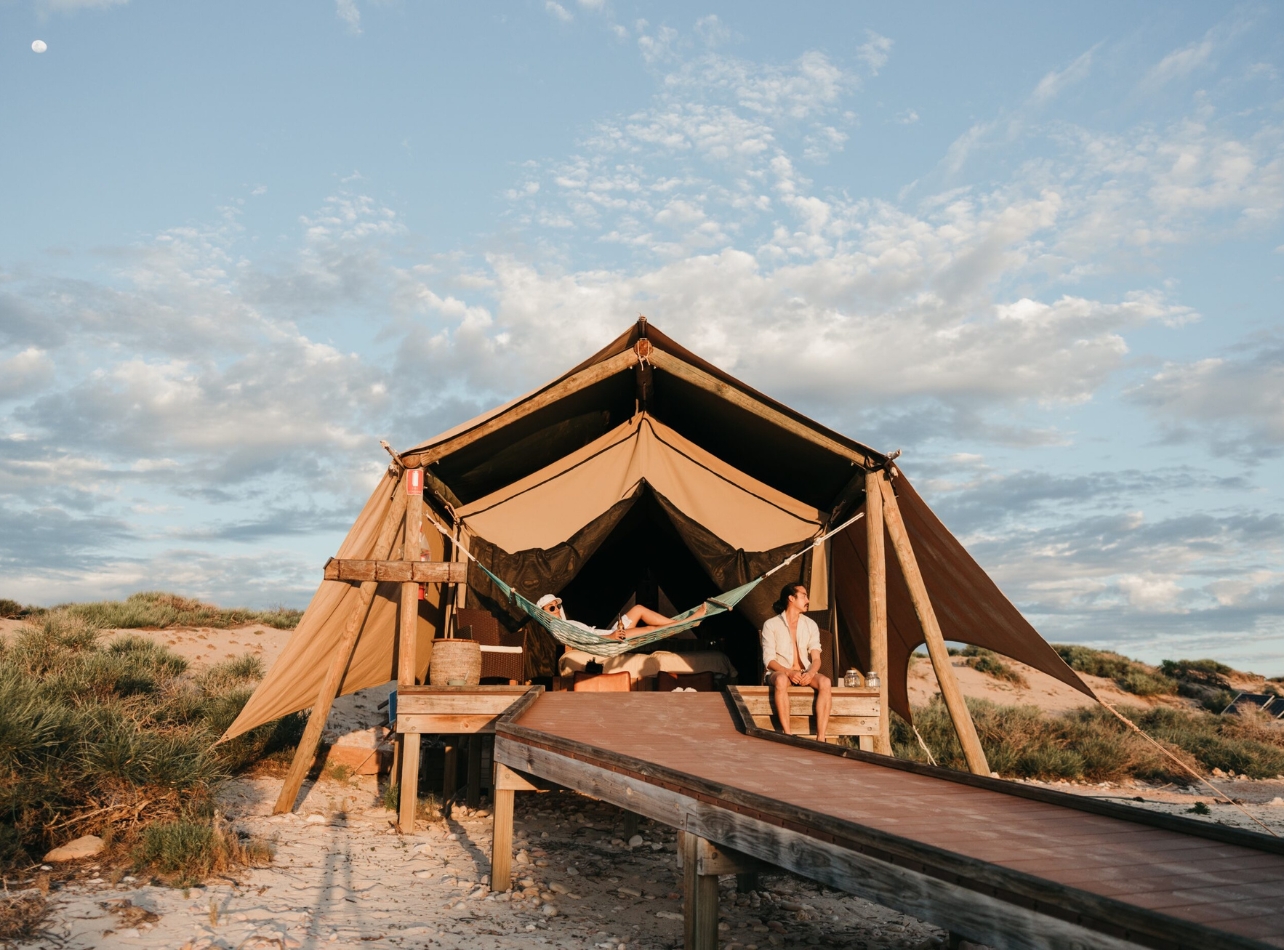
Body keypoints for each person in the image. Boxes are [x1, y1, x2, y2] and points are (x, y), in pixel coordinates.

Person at [760, 582, 832, 742]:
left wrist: (811, 672)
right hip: (780, 672)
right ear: (791, 598)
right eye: (804, 595)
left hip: (804, 672)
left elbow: (816, 658)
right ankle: (787, 734)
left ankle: (821, 738)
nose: (808, 599)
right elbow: (769, 659)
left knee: (825, 682)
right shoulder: (771, 624)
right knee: (780, 680)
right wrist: (788, 672)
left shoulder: (810, 624)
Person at [536, 594, 706, 641]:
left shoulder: (564, 623)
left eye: (557, 605)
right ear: (544, 612)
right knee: (649, 630)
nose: (557, 610)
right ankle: (689, 623)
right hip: (607, 640)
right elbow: (584, 639)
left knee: (638, 609)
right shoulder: (559, 628)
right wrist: (611, 636)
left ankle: (685, 623)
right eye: (551, 608)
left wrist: (611, 632)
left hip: (608, 634)